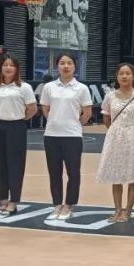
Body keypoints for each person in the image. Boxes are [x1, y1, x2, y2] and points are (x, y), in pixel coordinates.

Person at [39, 53, 92, 221]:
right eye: (62, 63)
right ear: (57, 66)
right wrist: (55, 122)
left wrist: (74, 124)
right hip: (52, 135)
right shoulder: (49, 87)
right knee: (54, 172)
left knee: (73, 172)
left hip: (72, 136)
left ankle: (69, 204)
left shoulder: (81, 88)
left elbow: (87, 113)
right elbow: (45, 109)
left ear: (75, 66)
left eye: (69, 63)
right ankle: (57, 205)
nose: (66, 66)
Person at [0, 56, 36, 215]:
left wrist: (20, 119)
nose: (8, 68)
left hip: (16, 127)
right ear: (0, 68)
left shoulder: (24, 87)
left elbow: (32, 109)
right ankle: (3, 199)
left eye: (11, 65)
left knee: (16, 165)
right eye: (5, 65)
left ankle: (14, 200)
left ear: (17, 68)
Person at [96, 63, 134, 223]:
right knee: (116, 175)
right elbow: (106, 118)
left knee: (132, 175)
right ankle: (117, 209)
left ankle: (128, 211)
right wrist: (116, 131)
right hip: (114, 138)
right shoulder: (110, 96)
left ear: (133, 76)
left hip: (132, 136)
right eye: (121, 73)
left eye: (128, 73)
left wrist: (133, 134)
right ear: (117, 76)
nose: (124, 76)